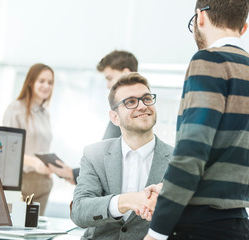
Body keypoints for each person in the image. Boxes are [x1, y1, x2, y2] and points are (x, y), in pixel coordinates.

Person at [143, 0, 249, 239]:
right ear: (243, 27)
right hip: (236, 226)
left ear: (200, 17)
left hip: (198, 227)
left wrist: (156, 232)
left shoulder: (208, 60)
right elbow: (226, 162)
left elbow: (191, 153)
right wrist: (168, 189)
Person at [70, 72, 173, 240]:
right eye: (130, 102)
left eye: (147, 99)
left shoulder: (178, 160)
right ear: (115, 117)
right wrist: (127, 201)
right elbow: (79, 211)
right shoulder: (94, 154)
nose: (142, 106)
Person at [48, 50, 139, 183]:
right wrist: (75, 174)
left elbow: (109, 159)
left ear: (125, 73)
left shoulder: (132, 111)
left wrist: (74, 174)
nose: (108, 85)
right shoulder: (122, 108)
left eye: (109, 78)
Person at [3, 63, 57, 215]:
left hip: (42, 183)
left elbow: (41, 147)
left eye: (50, 82)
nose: (46, 86)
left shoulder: (45, 113)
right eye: (42, 81)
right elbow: (8, 150)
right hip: (21, 181)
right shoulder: (16, 109)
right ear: (31, 82)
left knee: (35, 233)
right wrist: (35, 163)